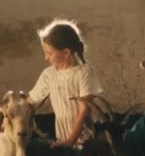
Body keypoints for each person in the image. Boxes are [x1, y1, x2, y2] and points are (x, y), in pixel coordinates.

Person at [28, 19, 103, 148]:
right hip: (61, 138)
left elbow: (84, 111)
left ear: (66, 53)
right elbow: (31, 103)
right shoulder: (49, 74)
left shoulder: (84, 73)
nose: (46, 57)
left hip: (85, 140)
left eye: (49, 53)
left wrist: (70, 141)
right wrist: (11, 113)